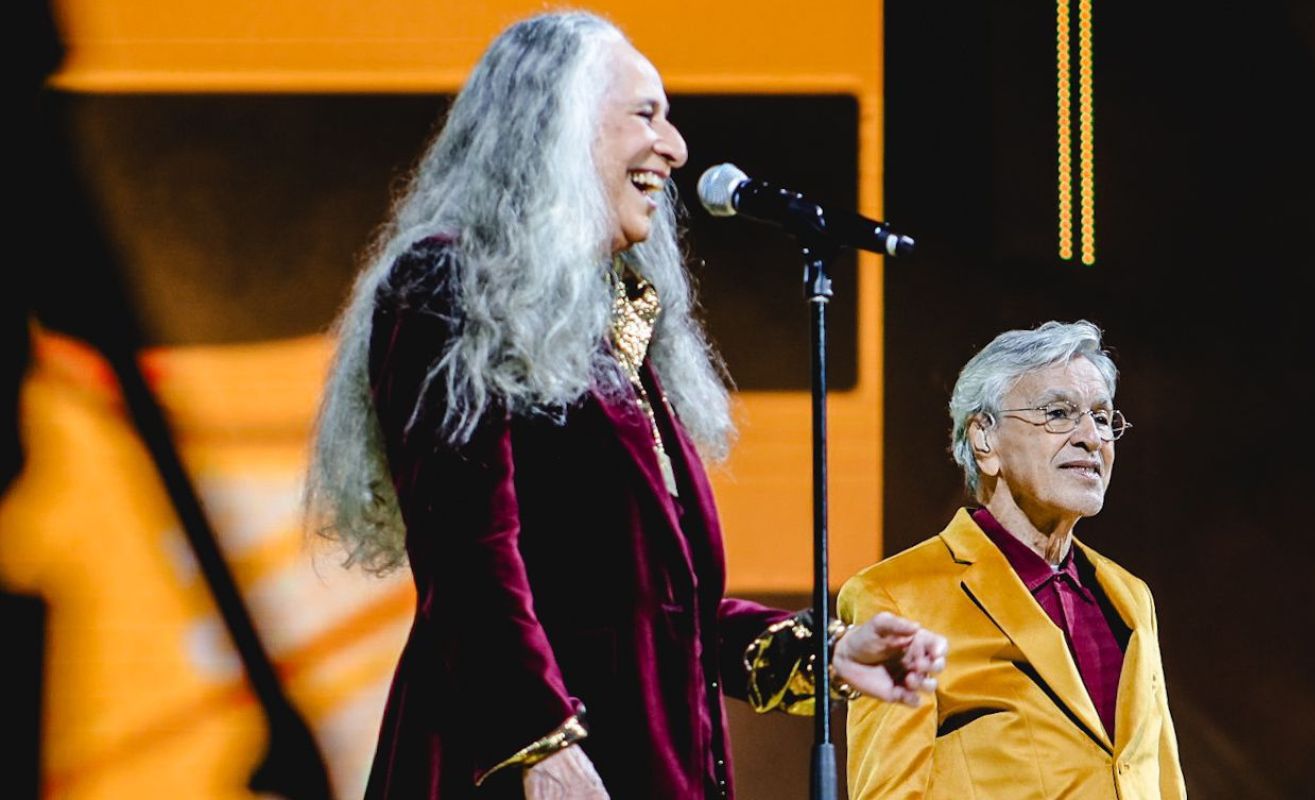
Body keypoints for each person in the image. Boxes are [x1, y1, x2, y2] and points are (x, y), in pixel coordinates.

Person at [304, 11, 945, 800]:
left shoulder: (614, 335)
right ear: (555, 127)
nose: (675, 148)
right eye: (647, 114)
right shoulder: (449, 284)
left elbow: (660, 619)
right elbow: (467, 555)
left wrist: (824, 653)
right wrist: (538, 743)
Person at [839, 321, 1185, 799]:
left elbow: (1162, 780)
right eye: (1060, 413)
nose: (1091, 437)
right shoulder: (899, 597)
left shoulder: (1131, 597)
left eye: (1103, 418)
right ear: (985, 439)